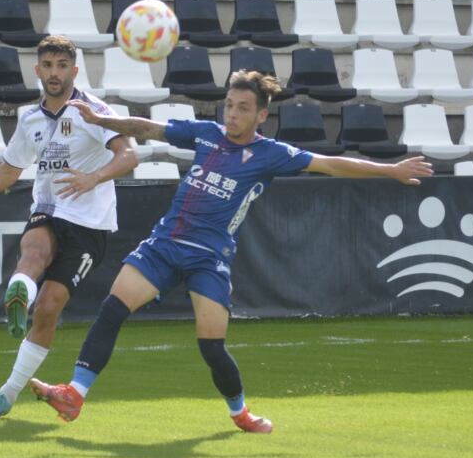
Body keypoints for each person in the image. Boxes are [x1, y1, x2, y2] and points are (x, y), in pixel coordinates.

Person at [29, 70, 433, 433]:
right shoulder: (206, 133)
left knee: (211, 346)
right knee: (113, 308)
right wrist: (103, 121)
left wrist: (390, 170)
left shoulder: (271, 154)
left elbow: (329, 164)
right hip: (165, 244)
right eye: (229, 105)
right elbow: (150, 128)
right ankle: (75, 394)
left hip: (209, 257)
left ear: (260, 115)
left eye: (242, 108)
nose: (232, 114)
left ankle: (239, 413)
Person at [0, 35, 138, 421]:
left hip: (90, 223)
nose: (54, 73)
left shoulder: (94, 112)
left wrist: (95, 177)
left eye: (62, 66)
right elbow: (8, 171)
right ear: (37, 71)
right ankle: (19, 289)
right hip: (49, 209)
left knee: (49, 309)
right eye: (48, 66)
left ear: (74, 71)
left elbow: (129, 155)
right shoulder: (30, 120)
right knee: (34, 251)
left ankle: (7, 394)